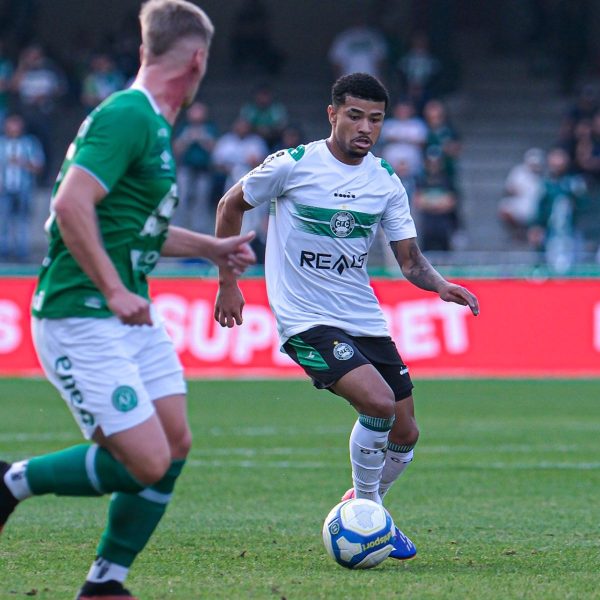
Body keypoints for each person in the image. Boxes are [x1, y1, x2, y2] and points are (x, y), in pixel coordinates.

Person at [0, 2, 255, 600]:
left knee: (174, 444)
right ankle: (12, 481)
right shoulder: (128, 117)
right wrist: (113, 288)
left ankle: (105, 583)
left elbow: (136, 227)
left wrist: (212, 248)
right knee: (144, 461)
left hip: (125, 313)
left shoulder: (149, 124)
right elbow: (68, 205)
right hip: (80, 312)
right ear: (197, 60)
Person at [213, 72, 479, 561]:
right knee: (377, 404)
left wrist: (440, 285)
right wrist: (229, 283)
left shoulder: (384, 181)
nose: (365, 128)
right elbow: (230, 205)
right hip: (305, 319)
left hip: (363, 317)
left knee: (406, 431)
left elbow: (411, 261)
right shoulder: (292, 165)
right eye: (355, 116)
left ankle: (365, 506)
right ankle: (366, 509)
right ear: (332, 114)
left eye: (375, 119)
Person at [0, 113, 45, 261]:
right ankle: (3, 251)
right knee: (3, 219)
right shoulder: (2, 144)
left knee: (22, 220)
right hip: (4, 188)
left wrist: (22, 162)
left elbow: (38, 166)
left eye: (16, 124)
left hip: (23, 188)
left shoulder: (29, 143)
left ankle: (21, 251)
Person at [498, 148, 545, 239]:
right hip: (520, 204)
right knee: (504, 209)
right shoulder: (518, 172)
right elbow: (509, 189)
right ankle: (518, 232)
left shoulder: (543, 177)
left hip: (534, 207)